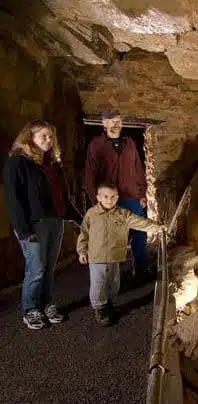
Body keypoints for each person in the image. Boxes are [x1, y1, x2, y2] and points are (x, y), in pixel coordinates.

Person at [3, 119, 82, 330]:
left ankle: (46, 304)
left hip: (55, 221)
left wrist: (80, 218)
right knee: (36, 268)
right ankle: (30, 310)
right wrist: (22, 229)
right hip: (33, 224)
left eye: (50, 136)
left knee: (48, 267)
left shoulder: (52, 164)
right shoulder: (18, 163)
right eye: (43, 136)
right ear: (30, 138)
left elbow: (62, 196)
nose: (48, 140)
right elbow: (13, 198)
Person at [76, 183, 163, 326]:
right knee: (98, 282)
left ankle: (108, 301)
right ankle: (100, 308)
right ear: (98, 197)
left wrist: (156, 227)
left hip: (114, 255)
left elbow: (138, 222)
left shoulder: (122, 213)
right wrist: (82, 251)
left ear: (117, 197)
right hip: (96, 257)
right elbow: (84, 233)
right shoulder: (92, 214)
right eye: (106, 196)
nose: (109, 200)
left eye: (113, 197)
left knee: (113, 282)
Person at [84, 109, 149, 278]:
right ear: (104, 124)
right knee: (111, 238)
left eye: (119, 121)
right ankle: (110, 276)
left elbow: (138, 169)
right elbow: (90, 175)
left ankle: (141, 269)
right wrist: (95, 200)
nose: (116, 124)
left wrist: (142, 193)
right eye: (112, 121)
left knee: (140, 233)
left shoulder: (129, 143)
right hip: (108, 199)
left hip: (131, 195)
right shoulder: (96, 144)